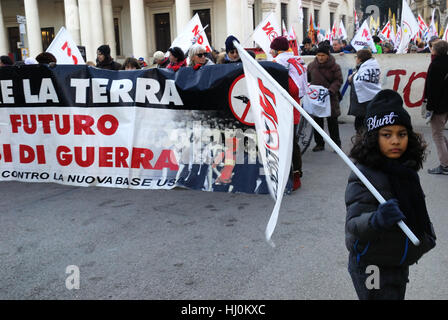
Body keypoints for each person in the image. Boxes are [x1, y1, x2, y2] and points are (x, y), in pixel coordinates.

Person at [345, 89, 436, 300]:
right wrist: (376, 220)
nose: (395, 141)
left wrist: (426, 237)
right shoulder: (364, 174)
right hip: (371, 264)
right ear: (373, 138)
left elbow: (417, 208)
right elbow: (353, 224)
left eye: (401, 134)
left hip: (399, 261)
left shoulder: (406, 170)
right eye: (387, 135)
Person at [270, 36, 307, 190]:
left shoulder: (278, 62)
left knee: (284, 144)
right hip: (295, 106)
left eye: (271, 48)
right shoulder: (297, 59)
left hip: (282, 108)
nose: (270, 51)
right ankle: (296, 173)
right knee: (292, 143)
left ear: (277, 49)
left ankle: (290, 177)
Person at [307, 42, 343, 151]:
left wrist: (331, 90)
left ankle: (336, 145)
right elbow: (307, 79)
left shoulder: (335, 67)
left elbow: (338, 80)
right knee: (317, 122)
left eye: (323, 55)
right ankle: (319, 143)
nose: (320, 58)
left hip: (330, 98)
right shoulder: (311, 66)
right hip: (316, 99)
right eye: (318, 55)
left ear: (328, 55)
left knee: (332, 122)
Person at [424, 40, 448, 175]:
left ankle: (445, 165)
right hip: (446, 104)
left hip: (439, 106)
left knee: (437, 135)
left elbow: (432, 89)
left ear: (436, 50)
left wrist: (430, 107)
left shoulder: (436, 65)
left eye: (432, 48)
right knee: (439, 133)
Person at [348, 49, 382, 134]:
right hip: (371, 98)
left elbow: (360, 81)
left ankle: (362, 143)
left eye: (356, 57)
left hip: (363, 101)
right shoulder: (371, 66)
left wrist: (352, 77)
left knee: (361, 125)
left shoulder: (366, 67)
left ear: (360, 59)